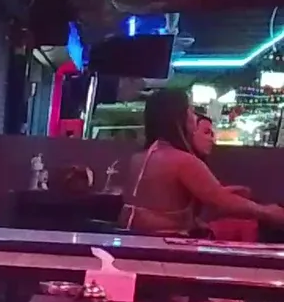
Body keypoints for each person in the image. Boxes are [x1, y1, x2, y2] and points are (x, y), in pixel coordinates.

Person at [120, 90, 284, 235]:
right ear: (180, 118)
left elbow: (164, 201)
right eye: (191, 111)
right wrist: (267, 211)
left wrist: (222, 193)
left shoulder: (138, 158)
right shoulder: (183, 161)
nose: (195, 117)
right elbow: (221, 201)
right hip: (166, 243)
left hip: (134, 238)